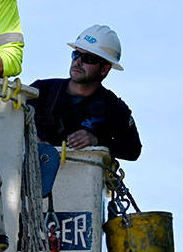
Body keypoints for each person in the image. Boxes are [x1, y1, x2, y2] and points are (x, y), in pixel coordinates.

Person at [31, 25, 141, 160]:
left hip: (80, 178)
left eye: (88, 59)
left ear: (104, 70)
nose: (78, 62)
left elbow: (133, 150)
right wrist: (32, 138)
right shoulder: (42, 90)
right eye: (76, 54)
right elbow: (10, 117)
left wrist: (96, 141)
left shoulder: (114, 108)